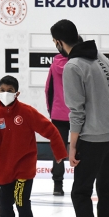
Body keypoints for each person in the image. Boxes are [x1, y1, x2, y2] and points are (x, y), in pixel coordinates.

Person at [51, 19, 109, 217]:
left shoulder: (73, 66)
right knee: (106, 191)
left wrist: (72, 146)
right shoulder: (101, 57)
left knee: (80, 192)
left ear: (58, 42)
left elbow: (77, 111)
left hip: (94, 137)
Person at [0, 76, 68, 217]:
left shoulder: (26, 112)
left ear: (17, 93)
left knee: (21, 199)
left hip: (24, 166)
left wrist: (59, 153)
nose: (6, 93)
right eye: (3, 90)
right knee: (4, 203)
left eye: (10, 91)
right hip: (5, 168)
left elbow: (50, 130)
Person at [45, 50, 71, 196]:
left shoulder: (54, 64)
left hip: (58, 114)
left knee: (59, 151)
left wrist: (51, 111)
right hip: (78, 114)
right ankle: (81, 185)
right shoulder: (80, 63)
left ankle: (57, 185)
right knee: (80, 150)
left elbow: (48, 89)